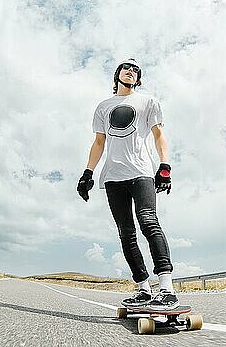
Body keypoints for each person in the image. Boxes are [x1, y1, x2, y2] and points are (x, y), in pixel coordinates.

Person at [77, 58, 178, 310]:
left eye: (136, 70)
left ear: (138, 78)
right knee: (126, 234)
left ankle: (166, 288)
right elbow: (99, 143)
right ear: (117, 74)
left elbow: (159, 135)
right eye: (127, 68)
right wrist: (87, 173)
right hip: (112, 177)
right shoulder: (103, 106)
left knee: (148, 221)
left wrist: (164, 166)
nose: (131, 71)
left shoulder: (148, 102)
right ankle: (143, 289)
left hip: (142, 171)